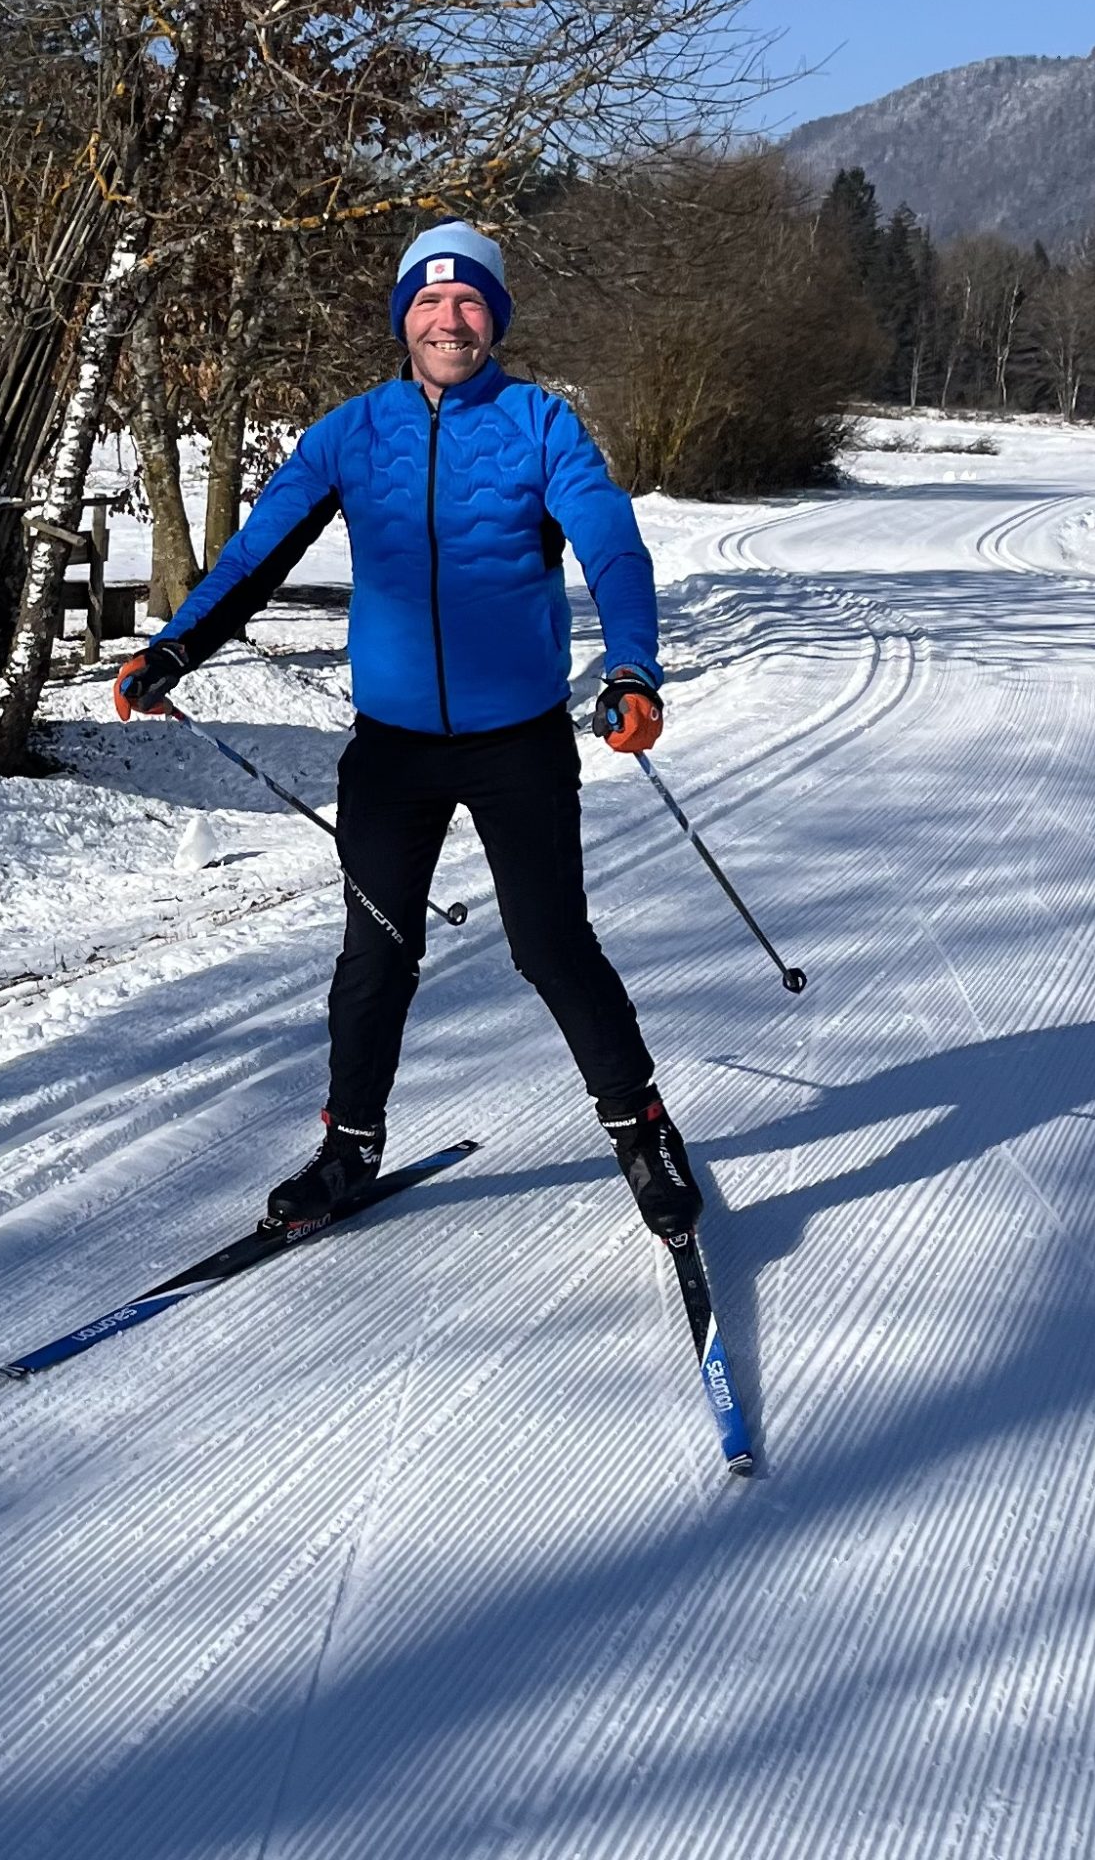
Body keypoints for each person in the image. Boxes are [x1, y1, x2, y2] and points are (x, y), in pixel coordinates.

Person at [113, 220, 700, 1240]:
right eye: (428, 301)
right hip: (391, 749)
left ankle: (639, 1126)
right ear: (403, 318)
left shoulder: (539, 425)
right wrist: (176, 647)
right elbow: (256, 554)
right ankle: (348, 1146)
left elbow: (612, 547)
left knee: (550, 944)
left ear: (494, 318)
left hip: (516, 741)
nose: (448, 319)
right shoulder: (351, 434)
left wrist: (631, 667)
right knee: (374, 955)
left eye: (468, 300)